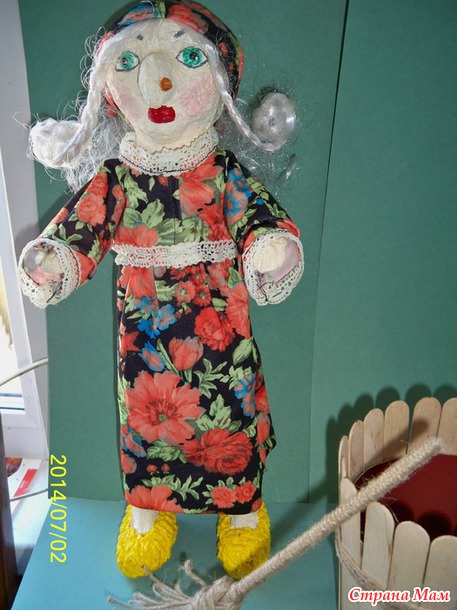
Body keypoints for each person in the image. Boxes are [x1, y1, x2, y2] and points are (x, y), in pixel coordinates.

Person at [19, 0, 304, 581]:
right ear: (109, 90)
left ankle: (240, 512)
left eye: (187, 58)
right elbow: (85, 226)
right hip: (144, 339)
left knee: (229, 415)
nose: (159, 78)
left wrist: (269, 247)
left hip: (221, 333)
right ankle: (150, 512)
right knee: (148, 425)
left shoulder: (221, 171)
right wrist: (57, 257)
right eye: (130, 62)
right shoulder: (117, 177)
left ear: (220, 85)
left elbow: (255, 218)